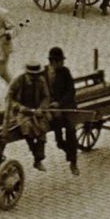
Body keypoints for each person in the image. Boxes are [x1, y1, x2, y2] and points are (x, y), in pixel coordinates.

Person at [5, 61, 51, 171]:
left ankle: (39, 159)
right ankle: (34, 152)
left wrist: (41, 108)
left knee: (42, 127)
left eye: (36, 75)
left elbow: (46, 97)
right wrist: (20, 107)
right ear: (27, 74)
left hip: (36, 111)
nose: (34, 78)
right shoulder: (18, 81)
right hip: (21, 112)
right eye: (32, 76)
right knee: (26, 126)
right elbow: (9, 99)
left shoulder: (41, 81)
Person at [45, 47, 80, 175]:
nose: (63, 63)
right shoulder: (43, 73)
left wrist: (59, 103)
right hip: (51, 110)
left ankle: (73, 162)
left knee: (70, 129)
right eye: (60, 61)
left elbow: (71, 91)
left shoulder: (65, 72)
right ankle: (66, 147)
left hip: (66, 106)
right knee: (59, 141)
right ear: (53, 62)